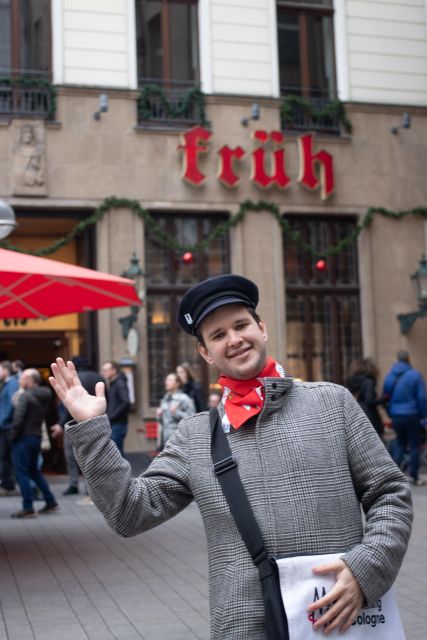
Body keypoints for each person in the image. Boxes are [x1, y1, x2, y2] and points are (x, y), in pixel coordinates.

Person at [49, 274, 413, 639]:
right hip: (247, 626)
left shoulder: (331, 403)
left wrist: (367, 568)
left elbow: (390, 493)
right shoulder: (195, 436)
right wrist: (93, 428)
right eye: (218, 335)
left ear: (262, 328)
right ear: (206, 353)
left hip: (342, 618)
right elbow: (128, 513)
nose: (235, 340)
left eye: (241, 325)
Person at [51, 356, 104, 495]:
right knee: (91, 456)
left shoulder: (73, 380)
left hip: (73, 424)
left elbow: (66, 405)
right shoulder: (99, 377)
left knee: (71, 456)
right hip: (96, 422)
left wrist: (61, 424)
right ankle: (90, 487)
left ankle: (73, 484)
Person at [10, 368, 58, 518]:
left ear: (30, 381)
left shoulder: (26, 396)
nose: (20, 381)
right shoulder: (44, 395)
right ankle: (50, 500)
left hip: (23, 437)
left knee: (22, 472)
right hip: (36, 436)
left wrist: (12, 436)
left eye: (23, 378)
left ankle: (28, 506)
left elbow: (18, 419)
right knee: (34, 471)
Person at [383, 350, 427, 487]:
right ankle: (413, 475)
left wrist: (391, 413)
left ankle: (392, 476)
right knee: (414, 446)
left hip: (397, 416)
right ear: (408, 359)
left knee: (400, 444)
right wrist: (424, 415)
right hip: (412, 414)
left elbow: (385, 397)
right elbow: (422, 398)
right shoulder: (415, 375)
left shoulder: (390, 376)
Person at [346, 357, 384, 438]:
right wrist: (384, 398)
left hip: (356, 416)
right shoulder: (368, 382)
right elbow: (369, 400)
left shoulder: (352, 382)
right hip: (370, 416)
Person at [156, 372, 195, 448]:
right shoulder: (165, 399)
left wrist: (176, 412)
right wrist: (159, 415)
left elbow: (192, 419)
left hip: (180, 442)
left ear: (177, 383)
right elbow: (162, 422)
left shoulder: (184, 398)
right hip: (166, 441)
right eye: (166, 380)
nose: (166, 382)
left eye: (170, 380)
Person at [101, 361, 130, 456]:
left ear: (114, 371)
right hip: (115, 423)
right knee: (116, 454)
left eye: (106, 370)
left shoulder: (119, 383)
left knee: (117, 455)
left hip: (118, 424)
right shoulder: (113, 383)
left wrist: (111, 416)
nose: (103, 372)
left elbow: (126, 403)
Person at [0, 360, 19, 496]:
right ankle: (8, 484)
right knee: (4, 456)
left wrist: (3, 420)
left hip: (8, 426)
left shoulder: (11, 384)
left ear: (6, 370)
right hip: (5, 425)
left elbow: (12, 404)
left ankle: (26, 485)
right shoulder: (6, 384)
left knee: (11, 456)